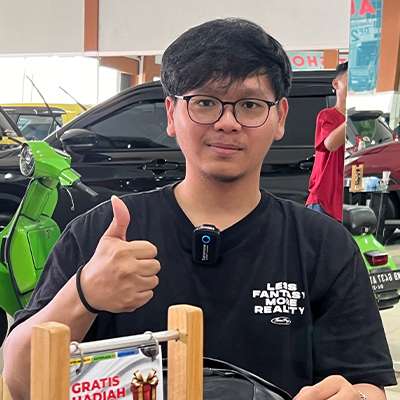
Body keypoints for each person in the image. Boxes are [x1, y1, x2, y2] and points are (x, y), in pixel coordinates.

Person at [3, 19, 395, 400]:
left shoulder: (323, 246)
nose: (227, 122)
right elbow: (19, 384)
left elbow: (365, 385)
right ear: (171, 114)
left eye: (249, 104)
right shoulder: (102, 235)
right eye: (205, 103)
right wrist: (83, 294)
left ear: (280, 117)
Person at [305, 62, 348, 221]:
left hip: (347, 199)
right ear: (336, 84)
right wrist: (352, 116)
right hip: (324, 200)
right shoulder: (327, 115)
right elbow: (330, 144)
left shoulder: (363, 122)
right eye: (351, 80)